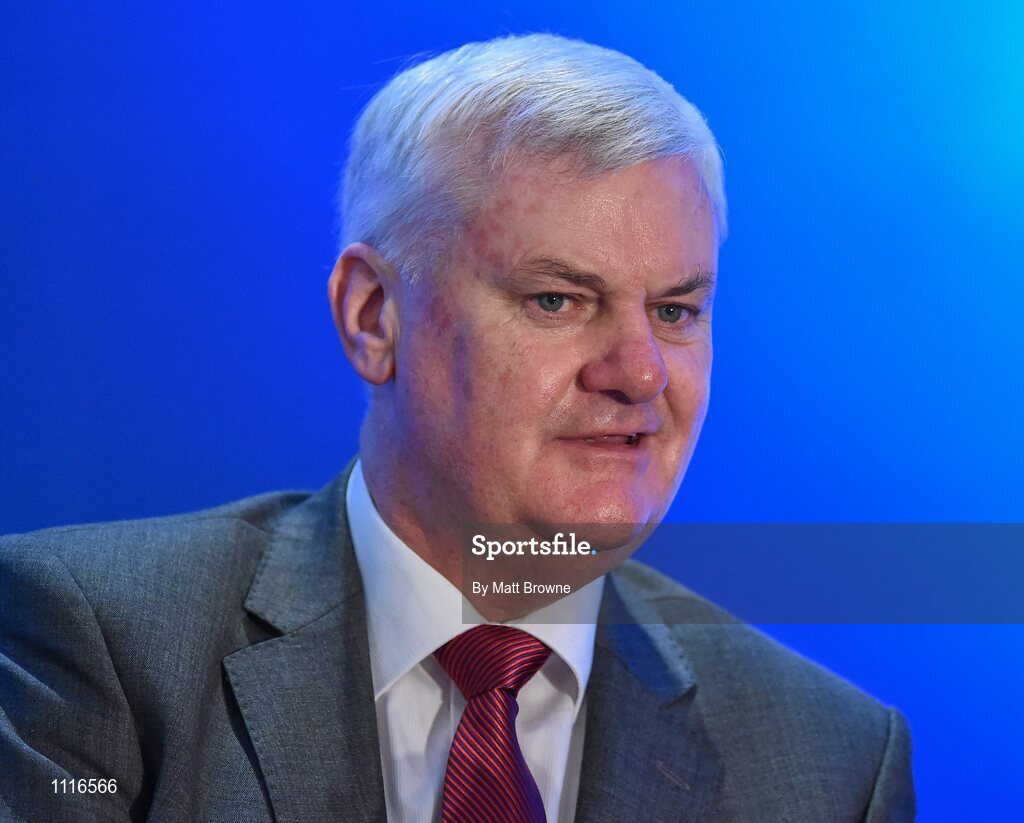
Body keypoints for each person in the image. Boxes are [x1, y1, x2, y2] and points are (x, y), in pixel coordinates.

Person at [0, 33, 914, 822]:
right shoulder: (98, 644)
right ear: (373, 316)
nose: (639, 372)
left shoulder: (829, 760)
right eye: (558, 298)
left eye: (677, 311)